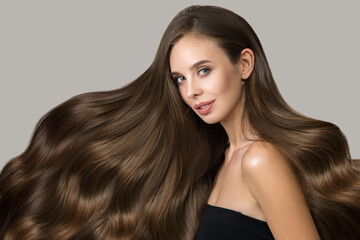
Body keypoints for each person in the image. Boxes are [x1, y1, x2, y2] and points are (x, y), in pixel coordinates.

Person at [0, 5, 359, 240]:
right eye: (180, 79)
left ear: (245, 64)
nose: (192, 91)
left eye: (203, 70)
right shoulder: (218, 160)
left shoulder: (259, 159)